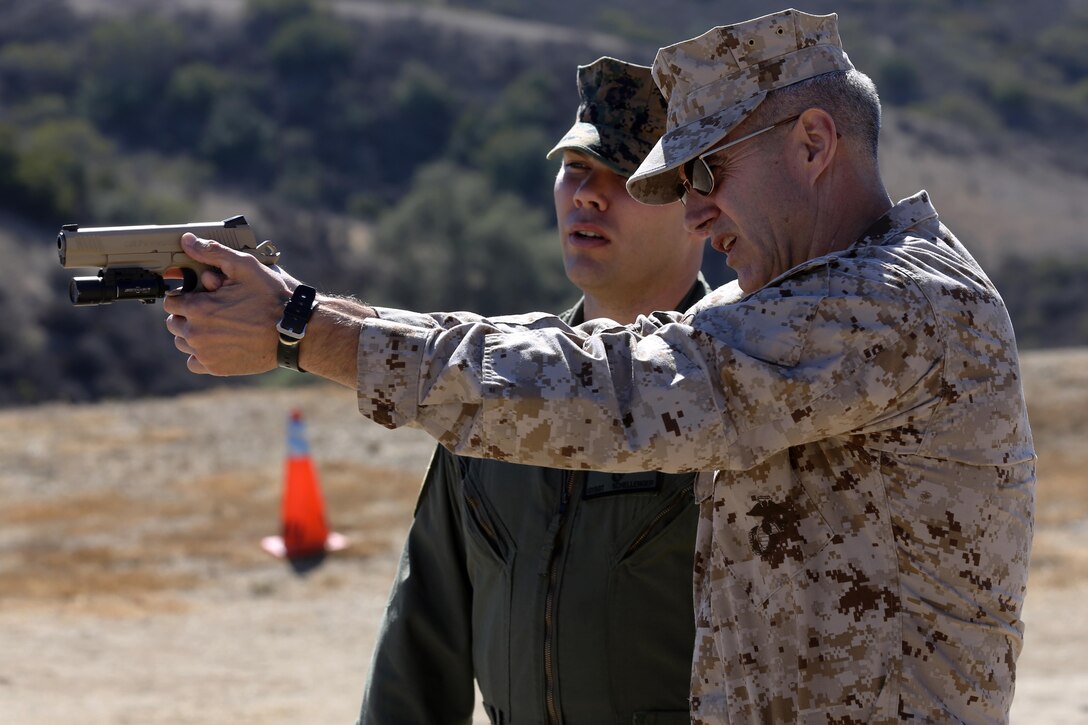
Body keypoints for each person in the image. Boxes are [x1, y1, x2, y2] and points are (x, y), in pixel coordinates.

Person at [164, 8, 1036, 723]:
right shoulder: (796, 306)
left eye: (709, 170)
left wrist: (300, 333)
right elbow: (590, 358)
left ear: (813, 143)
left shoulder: (901, 304)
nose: (697, 213)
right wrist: (308, 311)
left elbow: (619, 394)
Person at [358, 57, 709, 725]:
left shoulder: (744, 394)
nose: (589, 194)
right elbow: (419, 644)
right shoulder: (497, 386)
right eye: (576, 169)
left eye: (626, 177)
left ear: (698, 206)